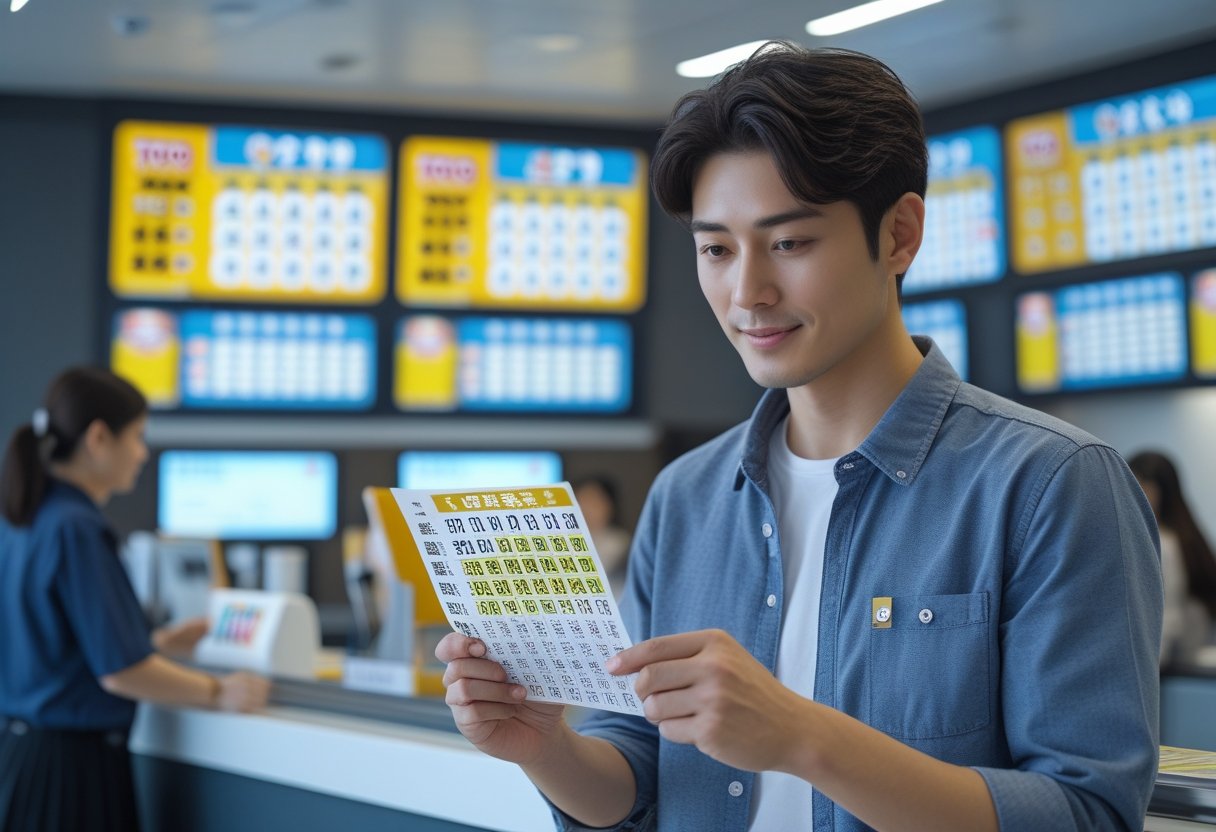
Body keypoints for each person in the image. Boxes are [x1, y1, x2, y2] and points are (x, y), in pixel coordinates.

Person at [436, 43, 1162, 832]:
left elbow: (1087, 813)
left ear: (899, 235)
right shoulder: (687, 497)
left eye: (789, 243)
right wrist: (544, 748)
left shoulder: (1050, 484)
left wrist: (802, 736)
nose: (747, 292)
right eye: (716, 249)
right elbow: (640, 777)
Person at [0, 367, 271, 832]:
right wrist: (219, 691)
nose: (143, 453)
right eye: (138, 437)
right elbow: (120, 673)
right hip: (71, 776)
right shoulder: (78, 529)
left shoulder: (25, 518)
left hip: (24, 759)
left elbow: (59, 646)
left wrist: (156, 643)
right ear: (99, 438)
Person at [1129, 450, 1216, 666]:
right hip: (1185, 670)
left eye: (1141, 485)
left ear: (1162, 490)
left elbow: (1168, 622)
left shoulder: (1164, 544)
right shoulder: (1186, 538)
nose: (1132, 495)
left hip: (1174, 669)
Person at [572, 475, 632, 598]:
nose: (586, 510)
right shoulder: (566, 540)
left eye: (593, 503)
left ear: (610, 505)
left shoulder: (620, 543)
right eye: (581, 502)